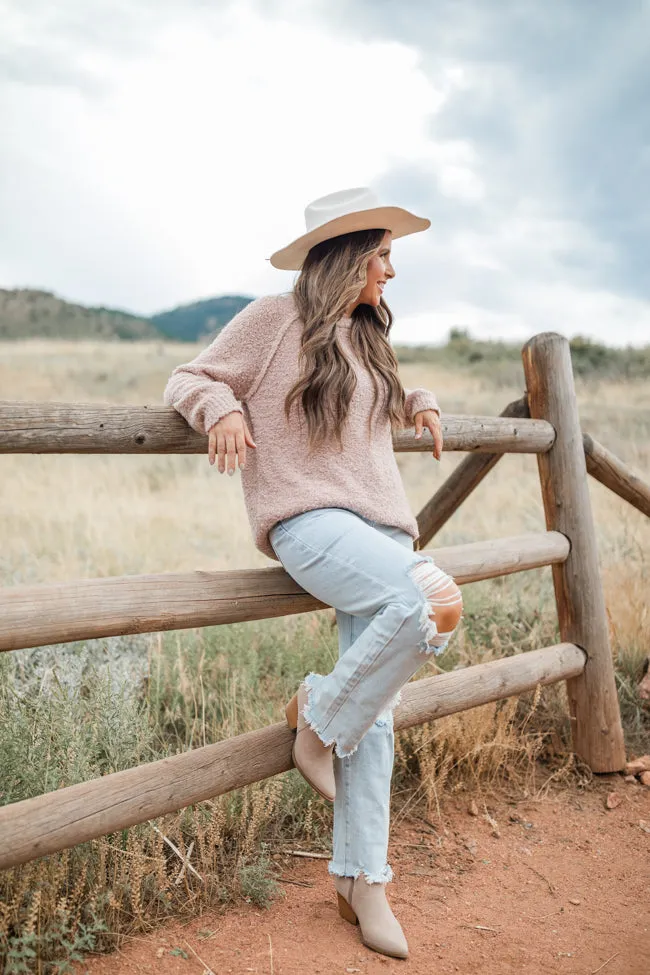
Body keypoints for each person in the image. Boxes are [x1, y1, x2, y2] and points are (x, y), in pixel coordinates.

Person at [162, 186, 463, 960]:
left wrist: (420, 401)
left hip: (383, 528)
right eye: (384, 255)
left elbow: (381, 402)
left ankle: (364, 879)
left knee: (383, 714)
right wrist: (221, 411)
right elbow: (189, 377)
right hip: (311, 523)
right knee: (432, 600)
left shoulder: (365, 334)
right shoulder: (273, 317)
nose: (392, 272)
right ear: (350, 254)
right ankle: (322, 720)